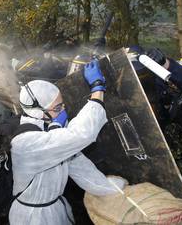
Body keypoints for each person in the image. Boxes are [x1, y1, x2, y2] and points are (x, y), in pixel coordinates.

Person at [9, 59, 125, 225]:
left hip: (54, 209)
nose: (63, 111)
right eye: (57, 108)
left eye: (62, 105)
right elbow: (82, 134)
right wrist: (98, 88)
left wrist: (111, 189)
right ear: (38, 112)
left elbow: (80, 169)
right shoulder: (26, 143)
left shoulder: (48, 131)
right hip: (32, 217)